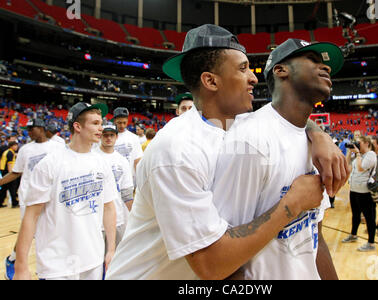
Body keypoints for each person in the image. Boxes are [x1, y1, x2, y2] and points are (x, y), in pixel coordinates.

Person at [106, 24, 348, 280]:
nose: (254, 78)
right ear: (210, 81)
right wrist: (293, 203)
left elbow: (287, 121)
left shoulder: (239, 125)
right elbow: (212, 265)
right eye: (243, 68)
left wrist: (319, 136)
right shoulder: (176, 152)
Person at [211, 38, 346, 279]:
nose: (325, 67)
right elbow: (223, 259)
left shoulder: (313, 142)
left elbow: (315, 236)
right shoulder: (250, 141)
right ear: (281, 70)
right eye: (313, 60)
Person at [13, 102, 117, 280]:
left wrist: (112, 249)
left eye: (101, 123)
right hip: (57, 263)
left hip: (93, 258)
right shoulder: (49, 164)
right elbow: (31, 215)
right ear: (77, 126)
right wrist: (21, 266)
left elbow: (109, 207)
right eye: (95, 123)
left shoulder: (102, 163)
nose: (101, 128)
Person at [1, 118, 64, 280]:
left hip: (53, 196)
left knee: (52, 232)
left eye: (31, 129)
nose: (28, 132)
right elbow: (16, 172)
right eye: (27, 129)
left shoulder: (58, 146)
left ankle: (47, 269)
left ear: (42, 128)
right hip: (29, 197)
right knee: (29, 232)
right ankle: (13, 260)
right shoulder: (25, 149)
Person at [94, 123, 134, 246]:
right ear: (100, 136)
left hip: (117, 218)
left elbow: (127, 193)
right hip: (95, 221)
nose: (108, 138)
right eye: (105, 135)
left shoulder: (122, 161)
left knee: (117, 260)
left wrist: (134, 215)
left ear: (116, 137)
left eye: (112, 135)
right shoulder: (92, 157)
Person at [341, 135, 377, 252]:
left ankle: (371, 243)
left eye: (359, 143)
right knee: (355, 214)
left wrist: (357, 154)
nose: (357, 145)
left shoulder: (370, 155)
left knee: (369, 217)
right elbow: (347, 166)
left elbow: (361, 168)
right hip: (354, 189)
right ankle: (353, 235)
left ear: (367, 143)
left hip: (365, 191)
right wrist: (349, 152)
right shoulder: (359, 156)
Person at [112, 107, 144, 180]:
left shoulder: (134, 138)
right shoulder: (108, 137)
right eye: (119, 123)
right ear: (115, 121)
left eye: (124, 123)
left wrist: (139, 180)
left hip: (129, 180)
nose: (122, 126)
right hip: (112, 179)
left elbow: (137, 160)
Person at [0, 140, 19, 208]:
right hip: (8, 171)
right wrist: (11, 173)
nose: (17, 147)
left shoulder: (8, 151)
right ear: (11, 146)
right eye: (15, 145)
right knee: (12, 187)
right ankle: (14, 203)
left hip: (3, 171)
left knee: (4, 188)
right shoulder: (10, 153)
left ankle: (0, 202)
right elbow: (9, 164)